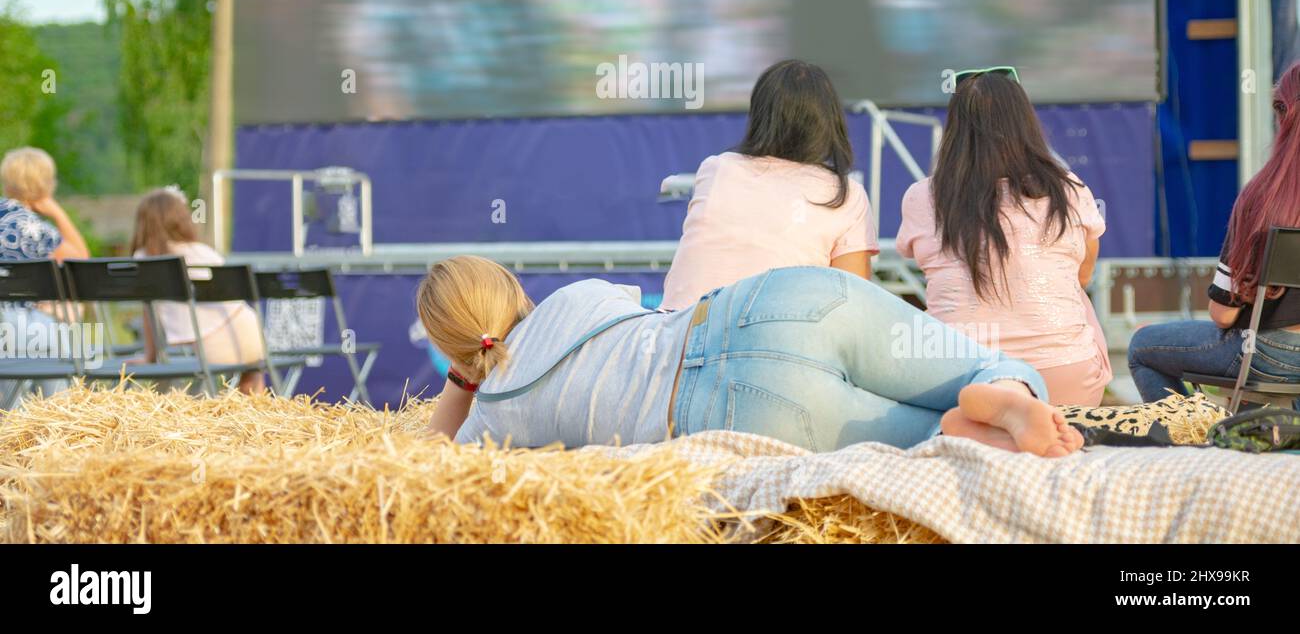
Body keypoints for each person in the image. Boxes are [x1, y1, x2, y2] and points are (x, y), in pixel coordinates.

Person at [419, 255, 1082, 458]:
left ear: (454, 348)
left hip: (735, 410)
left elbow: (420, 459)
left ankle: (954, 433)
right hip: (773, 303)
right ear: (514, 289)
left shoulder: (499, 419)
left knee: (918, 442)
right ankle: (1006, 393)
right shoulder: (577, 295)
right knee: (967, 365)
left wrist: (465, 380)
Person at [896, 68, 1111, 406]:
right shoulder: (1069, 188)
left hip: (958, 379)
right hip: (1067, 380)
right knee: (1075, 294)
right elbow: (1083, 276)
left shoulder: (922, 196)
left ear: (954, 131)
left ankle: (998, 410)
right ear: (1025, 124)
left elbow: (922, 262)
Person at [1128, 64, 1300, 401]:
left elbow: (1224, 314)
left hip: (1267, 351)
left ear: (1283, 115)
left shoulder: (1263, 197)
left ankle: (1183, 438)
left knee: (1142, 345)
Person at [660, 60, 877, 311]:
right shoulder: (844, 194)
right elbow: (850, 306)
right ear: (829, 121)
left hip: (676, 332)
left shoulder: (717, 168)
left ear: (760, 116)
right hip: (764, 338)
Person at [130, 188, 266, 395]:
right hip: (250, 334)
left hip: (211, 348)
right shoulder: (203, 252)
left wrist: (150, 356)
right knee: (251, 379)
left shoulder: (145, 259)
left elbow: (149, 313)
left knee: (210, 383)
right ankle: (255, 420)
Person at [0, 147, 89, 396]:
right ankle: (58, 411)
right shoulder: (35, 229)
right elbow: (82, 257)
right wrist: (58, 212)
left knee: (8, 409)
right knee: (57, 398)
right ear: (45, 187)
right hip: (28, 331)